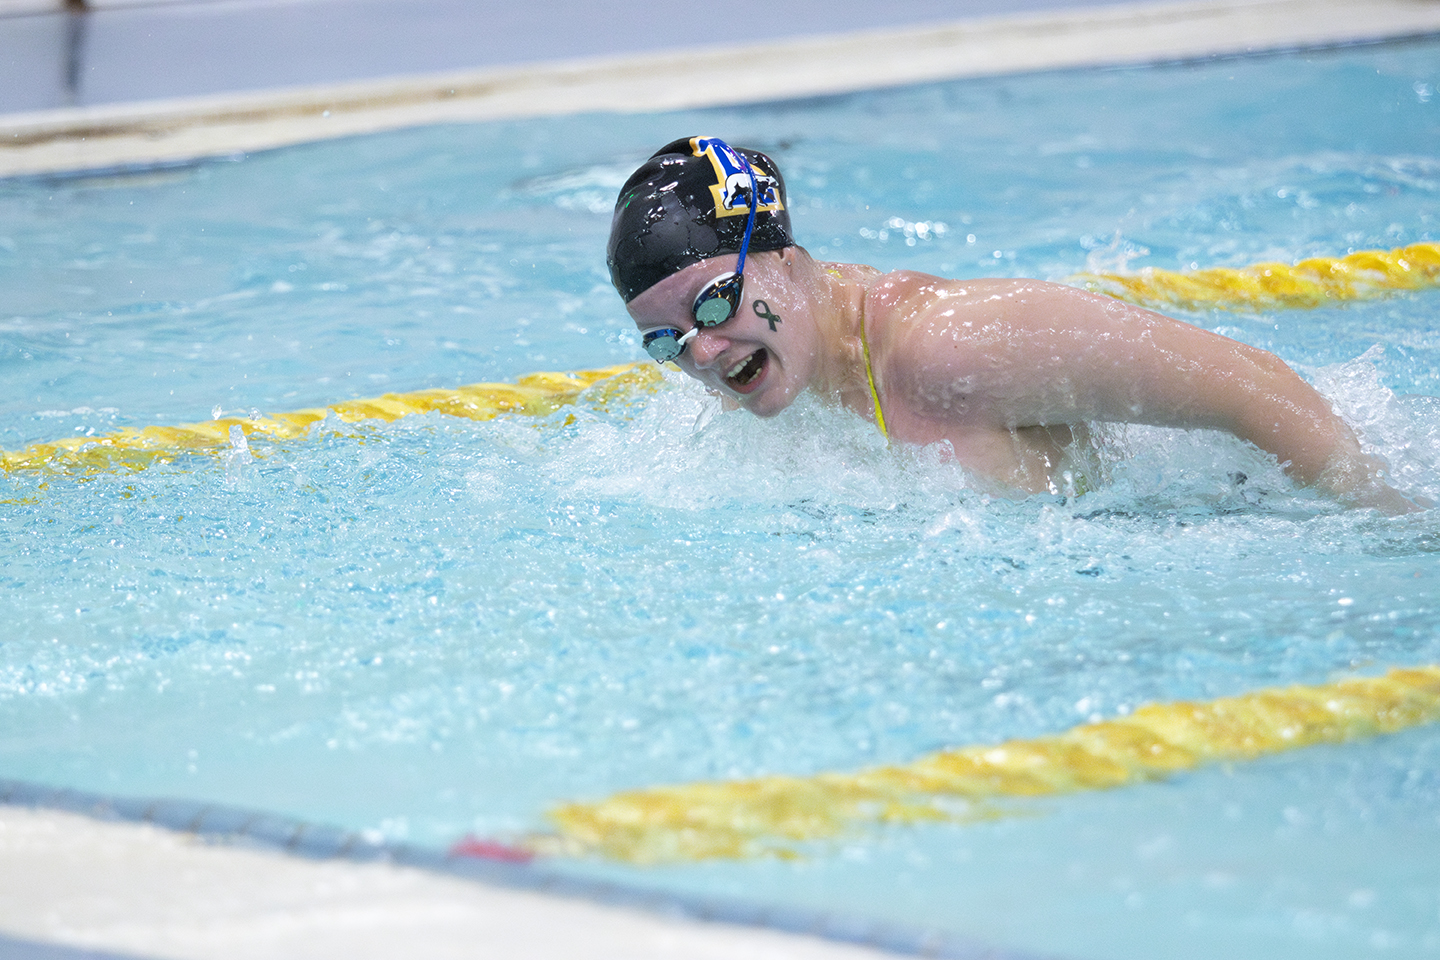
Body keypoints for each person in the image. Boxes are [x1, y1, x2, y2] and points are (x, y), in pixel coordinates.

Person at [607, 136, 1423, 514]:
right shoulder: (759, 376)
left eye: (712, 301)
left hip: (1233, 514)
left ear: (785, 259)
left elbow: (1255, 388)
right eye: (665, 339)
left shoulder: (952, 344)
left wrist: (1388, 521)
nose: (702, 352)